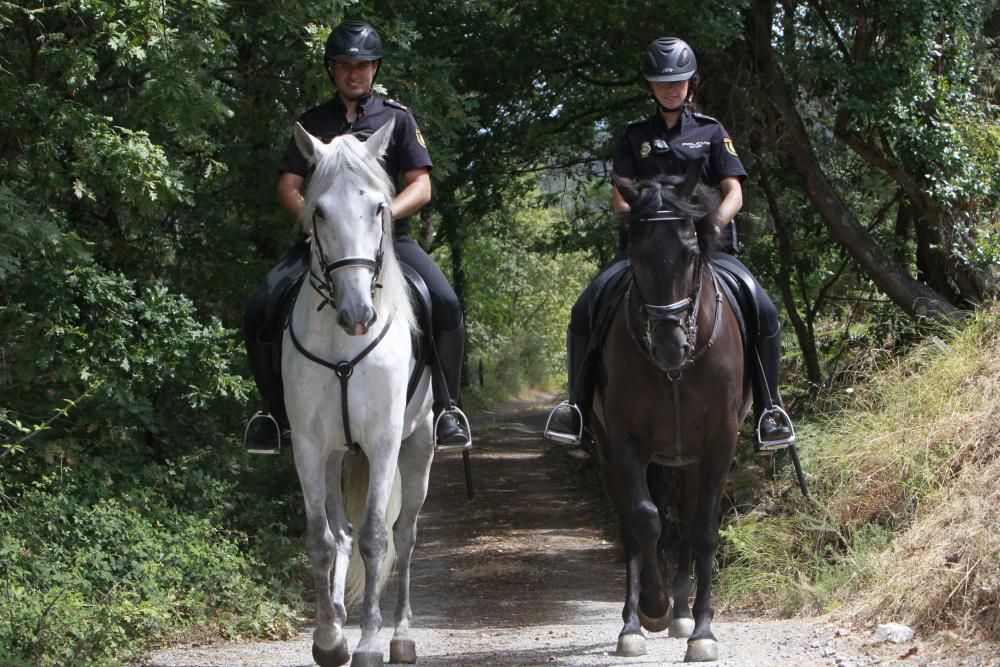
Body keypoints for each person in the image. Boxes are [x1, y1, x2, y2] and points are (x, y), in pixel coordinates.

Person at [543, 36, 795, 452]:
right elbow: (620, 193)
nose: (671, 88)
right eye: (663, 83)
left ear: (691, 84)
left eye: (678, 81)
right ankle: (579, 409)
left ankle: (770, 411)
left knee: (762, 307)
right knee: (585, 306)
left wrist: (709, 224)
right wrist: (637, 220)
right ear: (651, 87)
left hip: (708, 252)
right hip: (644, 251)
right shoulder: (634, 136)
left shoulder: (712, 132)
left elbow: (734, 191)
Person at [243, 20, 471, 454]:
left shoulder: (397, 118)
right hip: (325, 243)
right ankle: (273, 415)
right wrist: (311, 223)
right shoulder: (311, 123)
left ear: (375, 69)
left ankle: (446, 409)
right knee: (260, 307)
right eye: (346, 65)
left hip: (389, 241)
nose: (355, 73)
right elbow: (288, 187)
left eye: (364, 66)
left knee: (446, 304)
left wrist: (385, 217)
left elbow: (421, 185)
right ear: (332, 69)